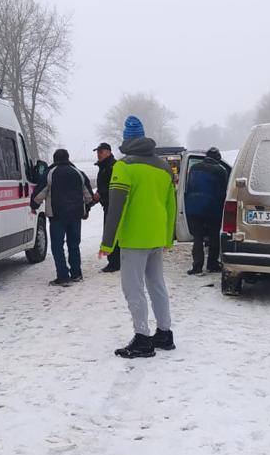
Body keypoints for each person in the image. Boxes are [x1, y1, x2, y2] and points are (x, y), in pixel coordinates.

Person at [99, 115, 176, 359]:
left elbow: (116, 208)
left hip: (133, 239)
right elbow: (171, 205)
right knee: (157, 285)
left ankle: (142, 338)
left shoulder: (123, 167)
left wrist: (108, 243)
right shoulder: (164, 167)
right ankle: (164, 333)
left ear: (126, 140)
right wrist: (168, 238)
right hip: (156, 237)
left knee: (133, 289)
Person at [31, 149, 94, 287]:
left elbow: (39, 194)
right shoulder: (78, 173)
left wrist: (34, 206)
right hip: (75, 216)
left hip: (57, 216)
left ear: (54, 159)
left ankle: (63, 276)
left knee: (57, 246)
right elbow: (89, 195)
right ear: (68, 157)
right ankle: (76, 274)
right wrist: (86, 209)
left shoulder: (50, 173)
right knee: (74, 244)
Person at [184, 147, 228, 274]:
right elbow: (223, 190)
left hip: (193, 208)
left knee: (197, 238)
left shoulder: (194, 168)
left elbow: (189, 186)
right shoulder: (221, 171)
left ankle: (197, 266)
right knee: (214, 237)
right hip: (212, 208)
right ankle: (212, 264)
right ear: (218, 158)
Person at [93, 142, 120, 272]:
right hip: (107, 203)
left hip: (113, 205)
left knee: (111, 233)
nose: (98, 154)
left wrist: (100, 194)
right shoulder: (104, 167)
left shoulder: (113, 166)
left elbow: (114, 186)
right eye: (97, 152)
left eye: (101, 151)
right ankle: (115, 261)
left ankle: (115, 262)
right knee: (111, 233)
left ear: (108, 152)